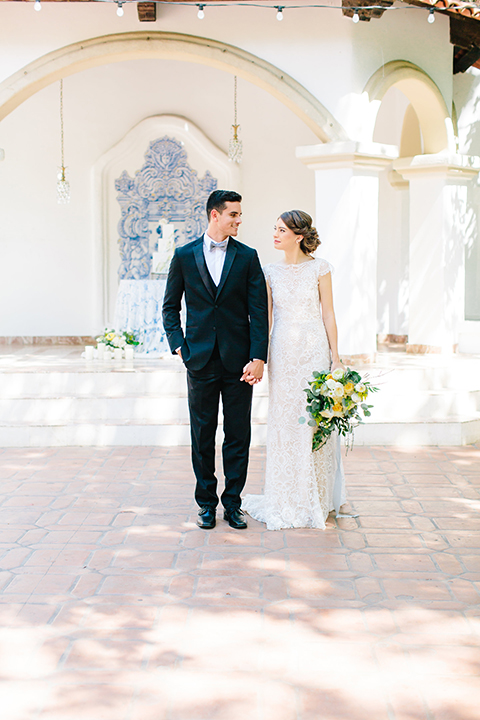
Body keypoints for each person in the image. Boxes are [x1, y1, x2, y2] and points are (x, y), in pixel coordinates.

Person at [242, 210, 357, 530]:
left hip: (314, 350)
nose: (275, 235)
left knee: (313, 420)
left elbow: (329, 314)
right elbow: (264, 320)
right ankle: (286, 496)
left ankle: (317, 496)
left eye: (281, 230)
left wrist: (336, 358)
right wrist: (260, 358)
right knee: (285, 420)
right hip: (283, 351)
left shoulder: (320, 268)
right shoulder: (269, 272)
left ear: (299, 235)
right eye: (274, 229)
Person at [162, 190, 269, 530]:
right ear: (215, 216)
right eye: (234, 214)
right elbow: (169, 308)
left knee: (238, 434)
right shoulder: (183, 256)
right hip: (200, 360)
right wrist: (180, 346)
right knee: (202, 434)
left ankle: (233, 504)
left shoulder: (248, 257)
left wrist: (258, 357)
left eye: (239, 214)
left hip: (239, 363)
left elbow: (258, 312)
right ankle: (206, 503)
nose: (239, 220)